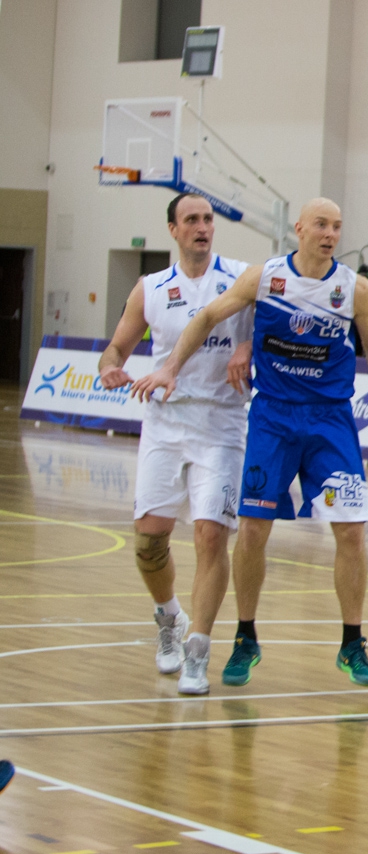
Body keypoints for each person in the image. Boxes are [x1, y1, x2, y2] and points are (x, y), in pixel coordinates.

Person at [132, 198, 368, 689]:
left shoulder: (355, 288)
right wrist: (171, 367)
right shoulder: (265, 277)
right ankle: (245, 637)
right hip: (273, 418)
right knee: (253, 529)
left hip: (329, 420)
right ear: (299, 229)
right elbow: (209, 316)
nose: (330, 234)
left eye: (337, 227)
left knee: (351, 531)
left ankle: (352, 642)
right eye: (321, 225)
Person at [98, 194, 252, 695]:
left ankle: (198, 651)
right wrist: (109, 367)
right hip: (164, 422)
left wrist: (247, 346)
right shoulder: (151, 287)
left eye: (208, 219)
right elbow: (117, 345)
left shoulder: (242, 277)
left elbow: (270, 331)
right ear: (173, 229)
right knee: (148, 542)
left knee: (211, 535)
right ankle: (169, 616)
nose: (202, 227)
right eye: (192, 220)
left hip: (221, 422)